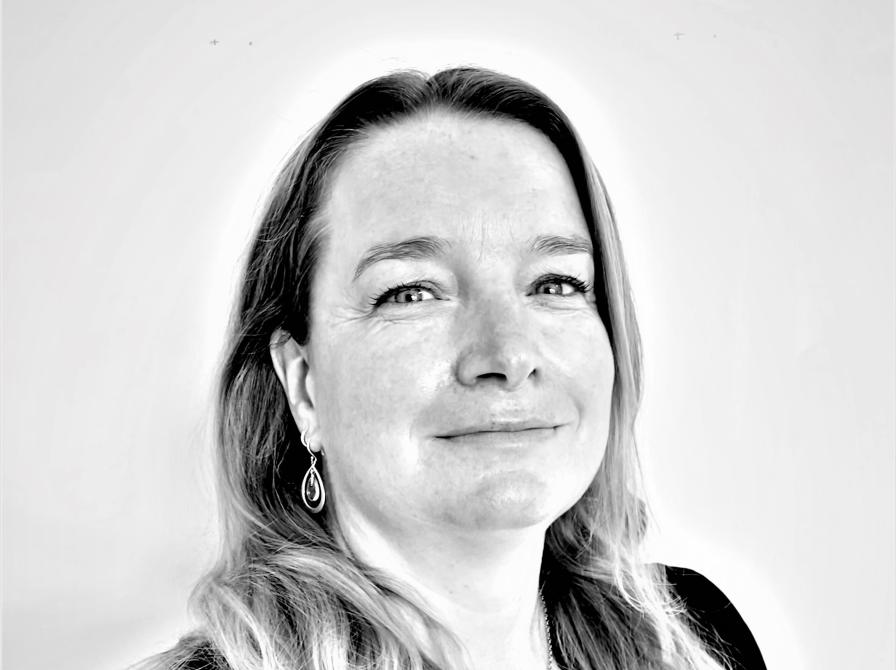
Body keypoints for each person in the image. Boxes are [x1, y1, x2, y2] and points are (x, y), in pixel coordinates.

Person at [137, 66, 766, 670]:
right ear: (302, 385)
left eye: (556, 283)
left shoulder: (695, 635)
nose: (508, 356)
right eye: (412, 293)